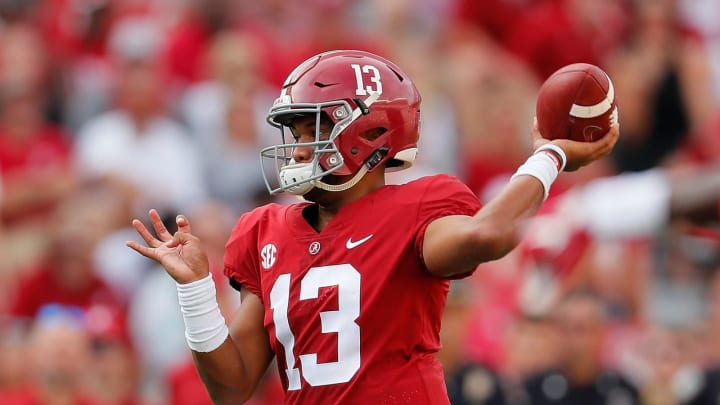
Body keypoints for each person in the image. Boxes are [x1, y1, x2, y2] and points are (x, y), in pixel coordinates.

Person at [126, 50, 618, 404]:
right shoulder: (264, 231)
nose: (297, 149)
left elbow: (486, 235)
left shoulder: (418, 207)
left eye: (312, 130)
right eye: (295, 133)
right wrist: (194, 291)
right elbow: (232, 387)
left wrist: (549, 155)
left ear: (372, 132)